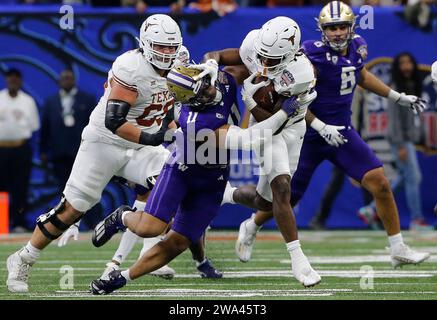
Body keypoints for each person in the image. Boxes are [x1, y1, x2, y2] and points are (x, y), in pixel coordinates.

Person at [230, 1, 430, 268]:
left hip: (342, 132)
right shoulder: (309, 55)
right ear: (322, 29)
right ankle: (251, 226)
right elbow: (296, 100)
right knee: (284, 198)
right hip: (306, 135)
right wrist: (319, 126)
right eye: (331, 28)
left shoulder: (358, 45)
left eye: (341, 27)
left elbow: (360, 75)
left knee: (379, 182)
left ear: (351, 27)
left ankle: (398, 247)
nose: (336, 32)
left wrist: (397, 97)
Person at [6, 14, 185, 293]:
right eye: (161, 47)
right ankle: (24, 257)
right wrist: (156, 137)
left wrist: (177, 133)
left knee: (170, 186)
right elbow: (115, 122)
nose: (167, 53)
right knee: (72, 210)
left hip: (142, 145)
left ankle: (146, 248)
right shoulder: (130, 67)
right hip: (105, 142)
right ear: (146, 44)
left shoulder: (179, 67)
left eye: (171, 47)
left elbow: (168, 109)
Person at [89, 59, 301, 294]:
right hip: (182, 172)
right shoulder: (197, 121)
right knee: (149, 228)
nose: (209, 93)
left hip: (213, 180)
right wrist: (283, 113)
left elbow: (249, 62)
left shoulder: (223, 79)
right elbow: (249, 140)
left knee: (178, 243)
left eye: (205, 86)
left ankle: (122, 278)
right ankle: (123, 217)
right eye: (199, 96)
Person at [202, 16, 321, 287]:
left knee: (265, 202)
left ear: (292, 54)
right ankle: (299, 260)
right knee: (282, 188)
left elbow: (277, 120)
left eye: (272, 60)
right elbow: (223, 55)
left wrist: (248, 99)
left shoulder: (301, 74)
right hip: (265, 129)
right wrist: (212, 61)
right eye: (262, 57)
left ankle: (228, 194)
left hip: (290, 127)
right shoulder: (256, 45)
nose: (264, 64)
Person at [387, 53, 431, 230]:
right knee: (414, 177)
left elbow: (415, 119)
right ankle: (416, 219)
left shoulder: (413, 85)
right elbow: (395, 119)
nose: (406, 66)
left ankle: (371, 209)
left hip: (408, 139)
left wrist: (420, 140)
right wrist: (400, 145)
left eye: (409, 63)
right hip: (400, 140)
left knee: (406, 176)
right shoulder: (396, 87)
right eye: (402, 63)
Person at [40, 70, 96, 190]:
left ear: (74, 80)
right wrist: (43, 150)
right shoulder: (51, 101)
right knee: (63, 188)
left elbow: (95, 126)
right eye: (64, 78)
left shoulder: (87, 100)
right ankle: (64, 209)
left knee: (82, 188)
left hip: (81, 152)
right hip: (58, 153)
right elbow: (45, 127)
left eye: (69, 78)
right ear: (59, 81)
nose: (66, 80)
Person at [0, 68, 40, 232]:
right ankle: (2, 223)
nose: (13, 81)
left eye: (16, 78)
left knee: (20, 188)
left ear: (20, 81)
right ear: (7, 80)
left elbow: (34, 127)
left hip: (21, 148)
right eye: (10, 78)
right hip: (1, 149)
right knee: (1, 188)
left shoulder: (28, 101)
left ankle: (18, 223)